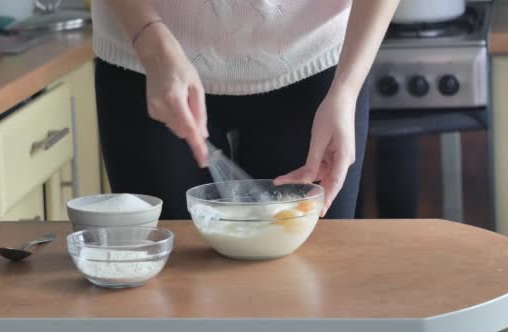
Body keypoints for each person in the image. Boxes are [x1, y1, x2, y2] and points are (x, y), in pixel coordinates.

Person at [92, 0, 399, 219]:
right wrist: (150, 40)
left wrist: (345, 91)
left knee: (313, 280)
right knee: (169, 289)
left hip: (312, 60)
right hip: (148, 59)